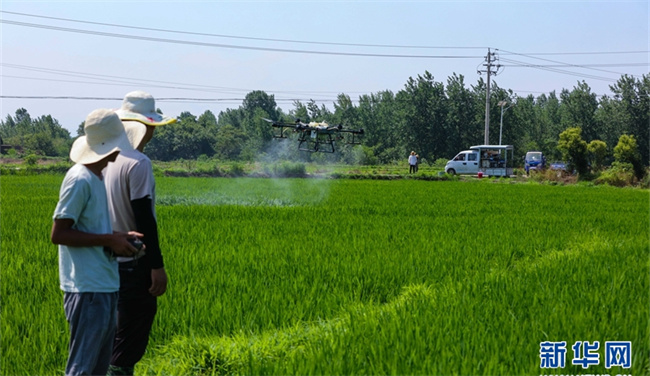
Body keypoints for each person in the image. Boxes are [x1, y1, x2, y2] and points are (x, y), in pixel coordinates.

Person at [51, 109, 143, 376]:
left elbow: (92, 230)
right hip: (87, 290)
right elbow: (59, 233)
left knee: (97, 371)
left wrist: (120, 239)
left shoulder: (98, 177)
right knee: (82, 369)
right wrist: (109, 240)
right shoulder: (79, 179)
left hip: (103, 286)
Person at [105, 91, 176, 376]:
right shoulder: (138, 163)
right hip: (133, 266)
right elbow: (144, 218)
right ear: (145, 126)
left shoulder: (105, 159)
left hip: (104, 262)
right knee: (127, 346)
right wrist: (156, 266)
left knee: (111, 338)